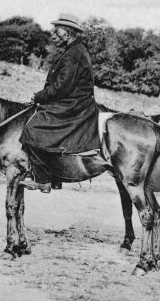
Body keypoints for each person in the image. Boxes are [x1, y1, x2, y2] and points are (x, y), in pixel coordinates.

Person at [19, 15, 100, 193]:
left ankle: (42, 180)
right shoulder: (73, 50)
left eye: (58, 31)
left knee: (32, 131)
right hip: (73, 101)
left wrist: (40, 96)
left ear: (68, 33)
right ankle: (54, 176)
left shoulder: (74, 53)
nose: (54, 34)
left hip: (74, 105)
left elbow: (62, 87)